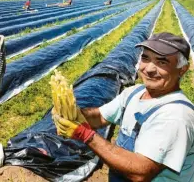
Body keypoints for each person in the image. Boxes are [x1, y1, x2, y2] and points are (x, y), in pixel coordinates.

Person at [53, 32, 194, 181]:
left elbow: (140, 172)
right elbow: (100, 117)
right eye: (145, 58)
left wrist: (85, 134)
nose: (150, 69)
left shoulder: (176, 116)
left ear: (182, 69)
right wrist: (73, 114)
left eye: (162, 62)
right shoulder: (135, 92)